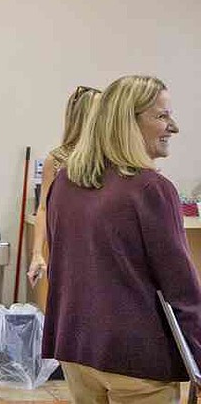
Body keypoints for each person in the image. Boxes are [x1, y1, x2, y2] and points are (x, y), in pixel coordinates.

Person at [43, 75, 201, 403]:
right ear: (127, 121)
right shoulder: (151, 189)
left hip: (77, 349)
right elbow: (182, 290)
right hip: (136, 358)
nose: (173, 127)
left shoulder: (65, 183)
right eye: (162, 116)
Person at [27, 85, 100, 286]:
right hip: (69, 253)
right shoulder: (58, 159)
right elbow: (43, 208)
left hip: (103, 253)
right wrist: (36, 254)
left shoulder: (112, 159)